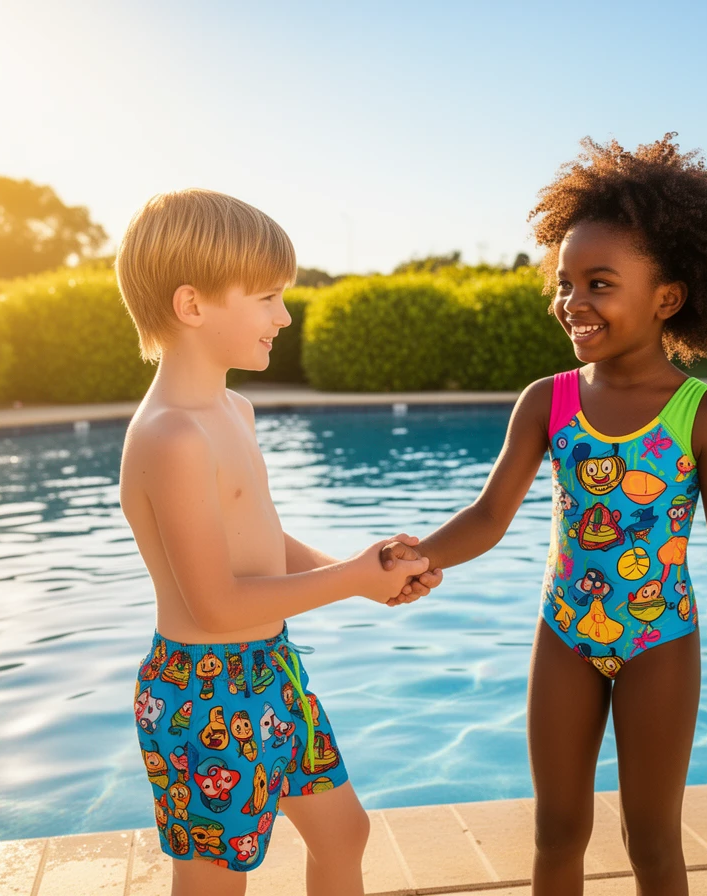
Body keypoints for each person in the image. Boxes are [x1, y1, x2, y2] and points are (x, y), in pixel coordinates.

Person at [391, 135, 707, 896]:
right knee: (556, 832)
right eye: (566, 283)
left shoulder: (702, 417)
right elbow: (489, 513)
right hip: (564, 634)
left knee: (651, 842)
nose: (573, 302)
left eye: (599, 283)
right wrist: (417, 555)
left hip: (660, 642)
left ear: (667, 298)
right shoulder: (549, 401)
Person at [115, 188, 441, 896]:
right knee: (213, 880)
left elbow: (259, 536)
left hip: (272, 675)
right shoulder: (171, 436)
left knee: (342, 831)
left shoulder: (234, 408)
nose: (284, 315)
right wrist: (350, 580)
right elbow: (217, 607)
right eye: (266, 297)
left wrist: (364, 570)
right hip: (201, 696)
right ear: (193, 305)